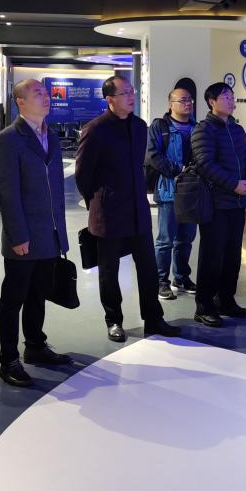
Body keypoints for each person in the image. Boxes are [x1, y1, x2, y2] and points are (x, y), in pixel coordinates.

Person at [75, 76, 180, 342]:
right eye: (124, 93)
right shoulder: (95, 129)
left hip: (137, 210)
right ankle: (114, 320)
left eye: (132, 91)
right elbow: (82, 174)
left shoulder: (139, 126)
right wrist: (96, 201)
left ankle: (153, 319)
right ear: (110, 99)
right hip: (108, 212)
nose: (131, 96)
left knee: (147, 267)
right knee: (109, 271)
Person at [0, 79, 72, 388]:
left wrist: (60, 232)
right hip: (23, 235)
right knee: (14, 297)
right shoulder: (9, 140)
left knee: (39, 294)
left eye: (46, 92)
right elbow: (7, 193)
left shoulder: (50, 135)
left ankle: (35, 345)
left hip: (49, 233)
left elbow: (56, 189)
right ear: (20, 102)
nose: (45, 97)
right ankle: (8, 359)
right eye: (37, 93)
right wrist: (18, 236)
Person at [190, 82, 246, 326]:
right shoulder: (204, 129)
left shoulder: (237, 129)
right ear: (212, 102)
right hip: (216, 203)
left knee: (232, 255)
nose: (231, 100)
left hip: (237, 203)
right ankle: (204, 306)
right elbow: (205, 164)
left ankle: (226, 300)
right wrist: (233, 184)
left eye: (232, 96)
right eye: (225, 97)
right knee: (212, 256)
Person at [145, 88, 198, 300]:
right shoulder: (160, 126)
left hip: (192, 191)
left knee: (186, 239)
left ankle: (181, 277)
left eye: (190, 100)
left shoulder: (197, 127)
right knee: (165, 240)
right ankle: (161, 281)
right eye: (183, 100)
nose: (188, 103)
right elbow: (152, 155)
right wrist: (177, 169)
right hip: (168, 189)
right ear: (170, 104)